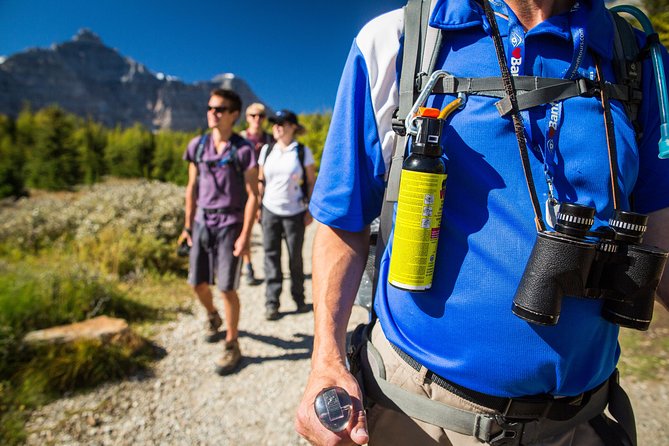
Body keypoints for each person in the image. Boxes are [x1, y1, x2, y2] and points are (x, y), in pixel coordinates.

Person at [295, 1, 669, 445]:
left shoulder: (637, 58)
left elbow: (661, 230)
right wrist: (326, 359)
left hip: (579, 421)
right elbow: (343, 220)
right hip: (421, 416)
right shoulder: (400, 39)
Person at [177, 88, 259, 375]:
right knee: (196, 284)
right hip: (201, 223)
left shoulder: (244, 150)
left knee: (226, 287)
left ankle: (232, 343)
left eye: (220, 109)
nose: (213, 113)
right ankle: (212, 316)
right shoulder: (197, 146)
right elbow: (192, 188)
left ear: (234, 115)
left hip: (229, 225)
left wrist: (245, 235)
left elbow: (252, 195)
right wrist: (187, 226)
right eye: (211, 108)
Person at [258, 110, 316, 321]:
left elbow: (310, 181)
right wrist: (258, 208)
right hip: (269, 210)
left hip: (294, 212)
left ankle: (298, 298)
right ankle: (272, 302)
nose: (277, 127)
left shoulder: (302, 151)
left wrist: (310, 209)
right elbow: (260, 181)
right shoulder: (266, 150)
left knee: (295, 258)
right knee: (271, 257)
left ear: (293, 126)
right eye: (274, 123)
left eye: (282, 123)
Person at [240, 102, 274, 285]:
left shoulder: (271, 140)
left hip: (267, 193)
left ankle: (270, 268)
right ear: (247, 118)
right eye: (253, 115)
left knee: (268, 232)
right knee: (245, 229)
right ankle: (248, 265)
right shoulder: (239, 139)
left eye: (261, 116)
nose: (257, 119)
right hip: (244, 192)